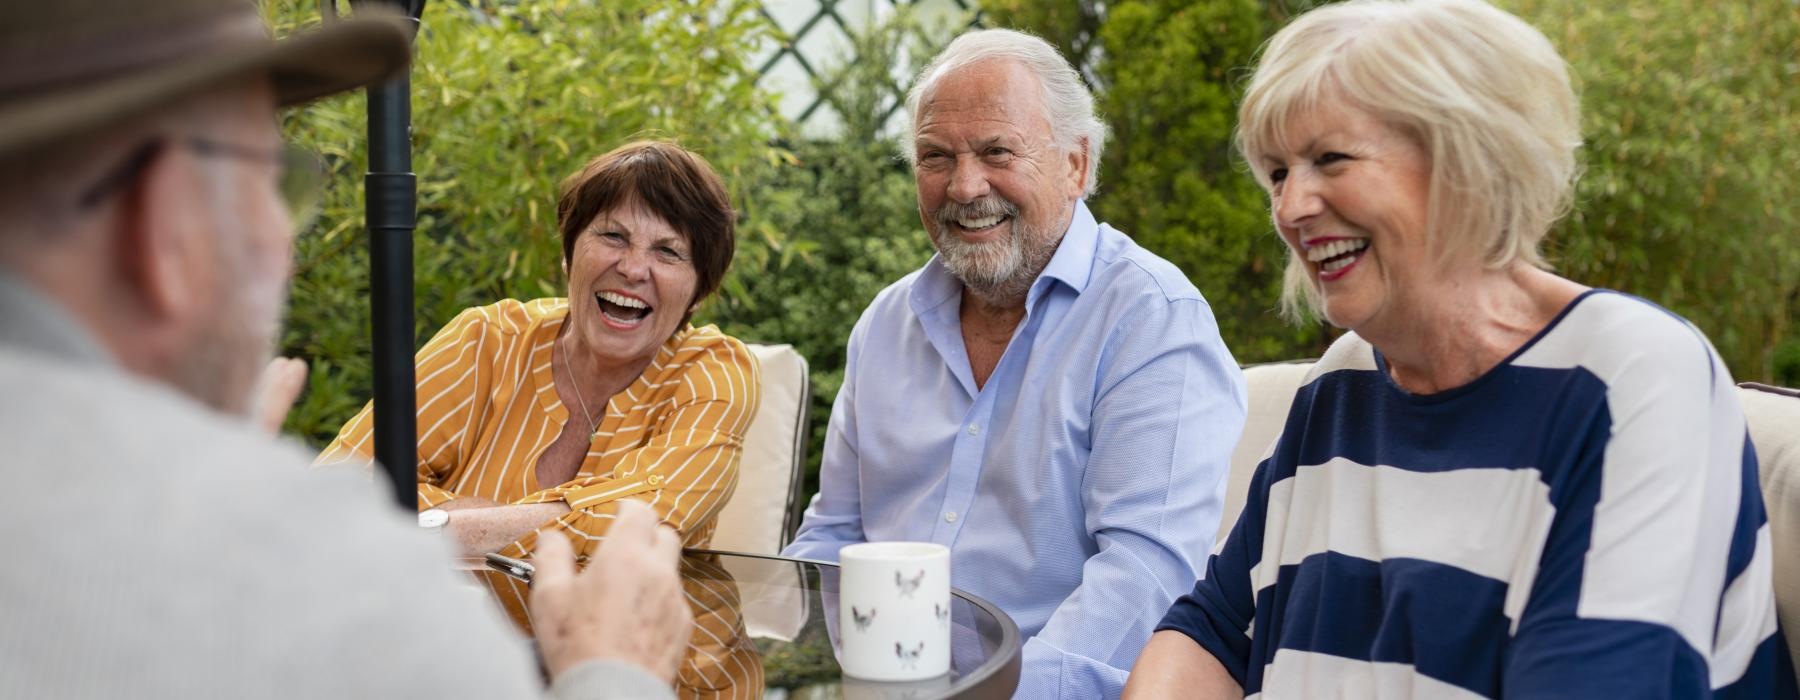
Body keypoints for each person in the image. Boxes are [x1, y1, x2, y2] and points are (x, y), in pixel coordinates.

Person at [0, 1, 692, 698]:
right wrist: (613, 671)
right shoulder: (324, 574)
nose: (287, 250)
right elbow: (361, 487)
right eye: (273, 182)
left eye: (667, 251)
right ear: (165, 215)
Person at [1123, 1, 1795, 697]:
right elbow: (1213, 634)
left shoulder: (1632, 381)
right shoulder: (1343, 383)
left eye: (1330, 159)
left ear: (1470, 161)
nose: (1291, 208)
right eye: (1278, 173)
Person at [782, 28, 1249, 697]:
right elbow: (836, 536)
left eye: (997, 152)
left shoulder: (1151, 319)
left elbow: (1145, 576)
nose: (965, 186)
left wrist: (990, 694)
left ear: (1076, 165)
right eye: (935, 156)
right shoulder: (886, 323)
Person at [314, 139, 764, 697]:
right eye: (612, 235)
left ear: (697, 292)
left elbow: (643, 522)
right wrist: (511, 527)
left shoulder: (715, 370)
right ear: (569, 252)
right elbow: (336, 490)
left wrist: (442, 523)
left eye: (668, 252)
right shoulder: (487, 341)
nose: (633, 267)